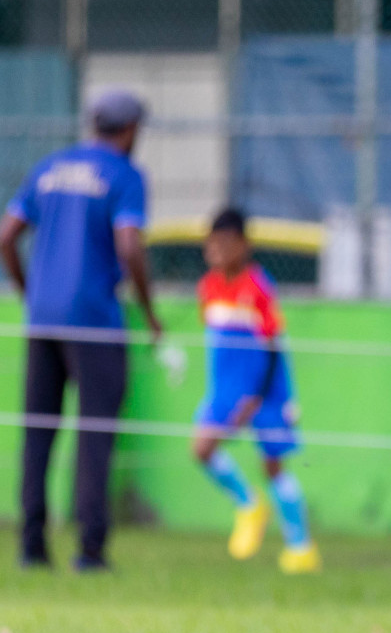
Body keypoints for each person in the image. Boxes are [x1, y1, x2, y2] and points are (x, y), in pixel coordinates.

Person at [0, 89, 161, 571]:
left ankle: (32, 543)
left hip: (43, 320)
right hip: (93, 322)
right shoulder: (125, 175)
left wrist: (29, 291)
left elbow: (6, 236)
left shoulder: (49, 167)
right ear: (130, 130)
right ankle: (90, 548)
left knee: (39, 431)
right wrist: (150, 313)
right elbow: (130, 247)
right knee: (95, 434)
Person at [191, 208, 318, 574]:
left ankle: (301, 548)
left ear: (245, 246)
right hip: (226, 389)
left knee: (273, 464)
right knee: (202, 448)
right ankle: (249, 503)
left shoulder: (259, 287)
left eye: (226, 244)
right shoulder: (208, 288)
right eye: (211, 245)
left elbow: (273, 347)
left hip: (265, 391)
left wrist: (256, 396)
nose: (217, 251)